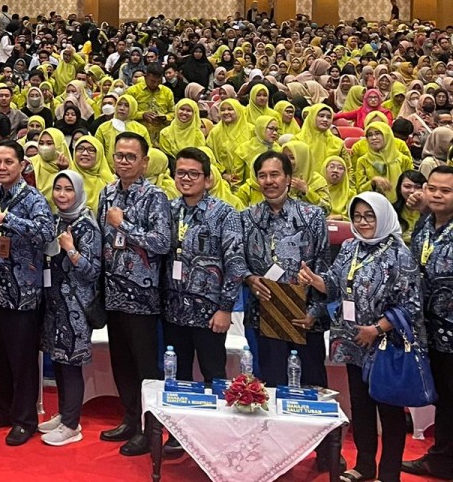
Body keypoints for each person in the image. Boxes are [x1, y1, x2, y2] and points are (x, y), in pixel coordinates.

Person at [299, 192, 423, 482]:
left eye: (370, 216)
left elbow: (411, 304)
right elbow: (333, 284)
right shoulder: (349, 247)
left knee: (389, 410)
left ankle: (389, 473)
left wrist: (377, 329)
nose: (363, 222)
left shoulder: (399, 253)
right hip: (353, 341)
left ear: (383, 217)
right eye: (357, 217)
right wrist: (315, 280)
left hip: (385, 344)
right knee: (361, 405)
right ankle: (365, 465)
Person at [242, 148, 334, 455]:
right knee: (270, 385)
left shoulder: (312, 216)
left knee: (312, 385)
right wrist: (249, 279)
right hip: (265, 315)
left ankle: (323, 452)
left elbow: (325, 268)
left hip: (305, 318)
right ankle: (272, 451)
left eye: (275, 174)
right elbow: (236, 260)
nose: (269, 181)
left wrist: (315, 311)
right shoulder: (247, 218)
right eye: (262, 175)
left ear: (289, 178)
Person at [0, 139, 55, 446]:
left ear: (22, 165)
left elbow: (47, 234)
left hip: (23, 293)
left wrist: (9, 220)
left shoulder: (33, 198)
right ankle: (3, 410)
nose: (2, 167)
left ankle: (25, 419)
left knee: (22, 360)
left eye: (8, 162)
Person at [97, 131, 172, 457]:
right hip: (113, 293)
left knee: (144, 367)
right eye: (119, 155)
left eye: (131, 156)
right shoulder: (107, 192)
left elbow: (162, 243)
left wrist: (124, 225)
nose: (124, 161)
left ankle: (149, 429)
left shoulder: (155, 197)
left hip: (142, 297)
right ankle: (129, 418)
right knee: (122, 363)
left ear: (144, 161)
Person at [161, 147, 246, 385]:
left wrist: (225, 309)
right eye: (181, 173)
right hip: (173, 311)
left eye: (193, 173)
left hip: (210, 314)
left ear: (207, 179)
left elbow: (236, 264)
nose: (186, 178)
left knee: (214, 375)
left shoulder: (225, 213)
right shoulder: (168, 210)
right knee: (176, 377)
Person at [39, 169, 103, 448]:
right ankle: (64, 415)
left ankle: (72, 424)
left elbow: (93, 272)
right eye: (58, 189)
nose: (62, 195)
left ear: (78, 192)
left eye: (68, 190)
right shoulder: (56, 220)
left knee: (71, 364)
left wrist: (71, 250)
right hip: (54, 304)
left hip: (76, 307)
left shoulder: (87, 225)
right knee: (59, 360)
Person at [403, 165, 453, 480]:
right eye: (432, 188)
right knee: (444, 399)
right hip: (429, 329)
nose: (436, 195)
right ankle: (441, 460)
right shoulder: (425, 224)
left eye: (445, 191)